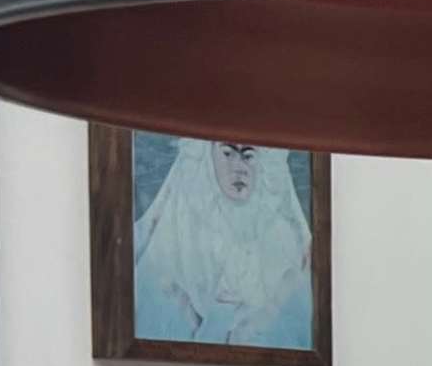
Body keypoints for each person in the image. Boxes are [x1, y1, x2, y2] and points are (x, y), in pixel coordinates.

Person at [134, 138, 313, 346]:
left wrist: (254, 323)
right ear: (207, 159)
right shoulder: (180, 232)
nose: (239, 168)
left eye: (248, 156)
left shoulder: (282, 238)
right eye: (227, 154)